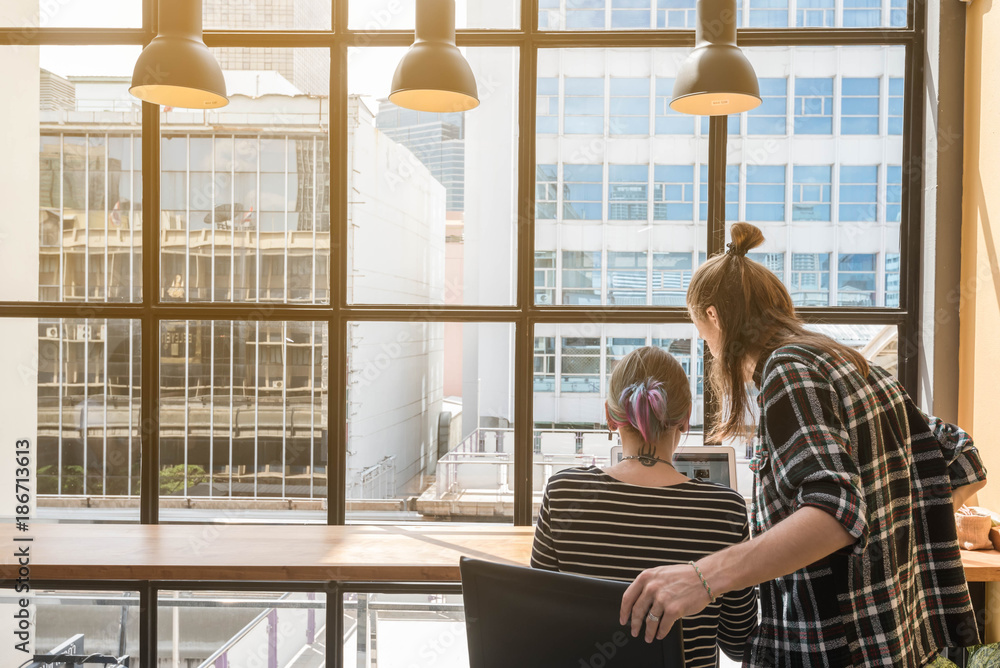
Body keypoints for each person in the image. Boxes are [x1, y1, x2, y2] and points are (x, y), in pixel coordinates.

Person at [619, 222, 988, 667]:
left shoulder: (788, 371)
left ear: (714, 317)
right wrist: (883, 551)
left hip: (831, 651)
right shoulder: (851, 364)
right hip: (890, 646)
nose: (712, 353)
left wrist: (702, 577)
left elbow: (835, 512)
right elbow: (959, 458)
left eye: (704, 338)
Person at [531, 346, 758, 668]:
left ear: (610, 417)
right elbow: (739, 644)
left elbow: (541, 617)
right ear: (685, 419)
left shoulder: (564, 490)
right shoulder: (724, 509)